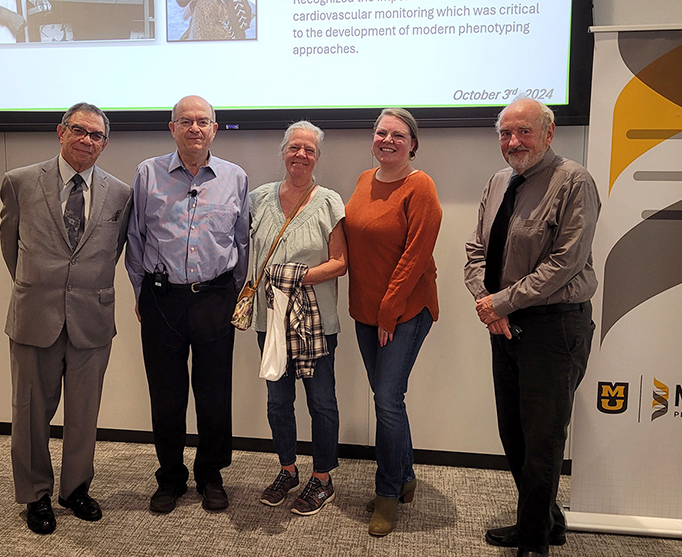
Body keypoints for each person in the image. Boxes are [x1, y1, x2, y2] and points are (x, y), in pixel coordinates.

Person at [464, 98, 600, 557]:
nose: (513, 142)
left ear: (549, 132)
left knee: (543, 438)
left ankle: (535, 544)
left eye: (523, 131)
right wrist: (491, 306)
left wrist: (500, 302)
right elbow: (475, 251)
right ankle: (542, 522)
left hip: (555, 327)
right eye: (505, 133)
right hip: (503, 325)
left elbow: (566, 262)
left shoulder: (574, 181)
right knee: (515, 433)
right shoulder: (499, 181)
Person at [0, 102, 132, 534]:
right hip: (35, 315)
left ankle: (75, 488)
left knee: (84, 412)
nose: (87, 140)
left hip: (91, 319)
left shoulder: (120, 193)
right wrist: (40, 288)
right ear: (61, 132)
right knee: (31, 411)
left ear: (105, 144)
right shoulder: (20, 182)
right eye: (79, 130)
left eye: (96, 136)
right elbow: (10, 245)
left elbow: (113, 252)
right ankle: (35, 494)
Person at [126, 95, 249, 513]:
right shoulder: (148, 173)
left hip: (216, 297)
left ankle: (210, 475)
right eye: (186, 121)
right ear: (172, 127)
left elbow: (241, 241)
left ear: (215, 129)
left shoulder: (235, 177)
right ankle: (171, 477)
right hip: (162, 300)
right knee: (166, 394)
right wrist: (140, 290)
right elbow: (135, 237)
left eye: (203, 122)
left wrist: (231, 292)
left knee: (215, 394)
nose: (195, 128)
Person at [344, 108, 442, 536]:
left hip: (405, 311)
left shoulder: (420, 187)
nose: (387, 140)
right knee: (390, 401)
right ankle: (405, 477)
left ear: (412, 144)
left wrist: (388, 310)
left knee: (386, 401)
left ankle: (387, 493)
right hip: (366, 311)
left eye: (397, 135)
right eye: (381, 132)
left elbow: (416, 256)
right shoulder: (365, 181)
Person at [250, 121, 347, 516]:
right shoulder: (257, 198)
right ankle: (287, 470)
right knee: (278, 401)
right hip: (269, 322)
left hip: (316, 323)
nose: (301, 155)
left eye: (309, 149)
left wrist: (293, 278)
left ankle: (323, 478)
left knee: (321, 403)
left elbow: (341, 263)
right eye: (294, 147)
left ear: (317, 157)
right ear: (283, 152)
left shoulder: (329, 202)